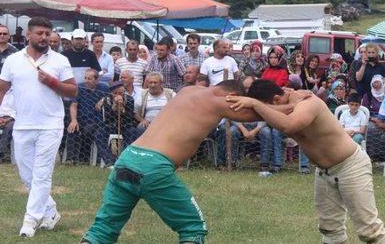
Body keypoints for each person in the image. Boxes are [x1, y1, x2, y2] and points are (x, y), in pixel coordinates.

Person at [81, 80, 294, 243]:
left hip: (127, 159)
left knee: (101, 230)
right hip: (154, 166)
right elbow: (264, 114)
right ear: (232, 96)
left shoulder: (187, 90)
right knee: (193, 228)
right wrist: (296, 102)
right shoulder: (218, 103)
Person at [227, 80, 385, 244]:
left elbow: (289, 126)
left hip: (350, 166)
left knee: (370, 231)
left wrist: (255, 104)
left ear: (276, 100)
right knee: (330, 230)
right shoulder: (285, 101)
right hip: (324, 171)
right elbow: (258, 111)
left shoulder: (308, 102)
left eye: (265, 106)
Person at [0, 17, 77, 238]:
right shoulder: (13, 60)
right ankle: (50, 211)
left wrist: (52, 82)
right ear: (28, 35)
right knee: (26, 174)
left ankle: (30, 220)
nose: (44, 37)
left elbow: (73, 91)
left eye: (47, 34)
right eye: (39, 33)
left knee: (41, 174)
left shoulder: (59, 60)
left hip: (51, 125)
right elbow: (0, 91)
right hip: (22, 125)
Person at [66, 69, 109, 164]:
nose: (86, 80)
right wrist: (74, 120)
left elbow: (112, 97)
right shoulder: (79, 87)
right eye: (85, 78)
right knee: (72, 129)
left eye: (89, 79)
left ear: (96, 80)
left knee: (88, 130)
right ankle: (70, 159)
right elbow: (73, 105)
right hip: (81, 119)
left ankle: (84, 160)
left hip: (97, 121)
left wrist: (103, 100)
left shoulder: (104, 88)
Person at [0, 91, 15, 162]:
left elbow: (18, 111)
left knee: (8, 128)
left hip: (11, 118)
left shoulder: (16, 93)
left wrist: (7, 120)